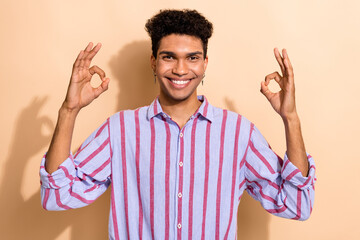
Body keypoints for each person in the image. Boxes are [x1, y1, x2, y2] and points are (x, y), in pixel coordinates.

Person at [40, 9, 316, 240]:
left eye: (192, 58)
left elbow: (297, 204)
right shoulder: (120, 130)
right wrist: (69, 110)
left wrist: (290, 118)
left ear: (205, 63)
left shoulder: (238, 133)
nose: (181, 69)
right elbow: (58, 196)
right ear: (154, 61)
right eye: (169, 56)